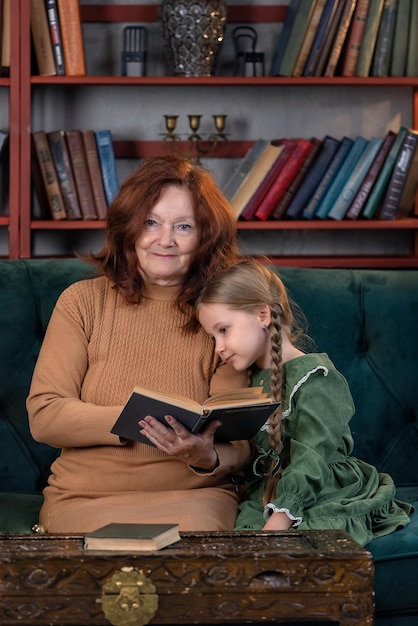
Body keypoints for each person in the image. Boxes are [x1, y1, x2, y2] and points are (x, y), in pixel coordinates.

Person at [27, 155, 252, 534]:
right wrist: (137, 420)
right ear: (128, 228)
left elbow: (240, 444)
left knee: (191, 559)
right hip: (84, 497)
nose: (165, 240)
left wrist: (206, 454)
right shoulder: (82, 302)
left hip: (196, 498)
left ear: (205, 237)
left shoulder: (223, 318)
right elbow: (45, 415)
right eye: (151, 222)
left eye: (183, 226)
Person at [196, 260, 413, 546]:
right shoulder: (250, 380)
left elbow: (313, 456)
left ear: (262, 315)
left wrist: (279, 520)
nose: (218, 347)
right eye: (212, 337)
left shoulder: (317, 377)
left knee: (302, 541)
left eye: (223, 330)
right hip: (268, 491)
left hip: (322, 487)